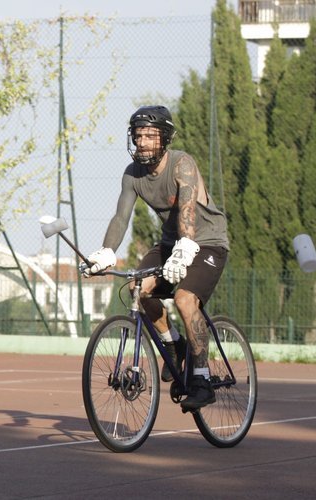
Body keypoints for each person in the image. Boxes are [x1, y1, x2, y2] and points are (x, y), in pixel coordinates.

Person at [85, 105, 229, 413]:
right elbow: (121, 217)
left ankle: (202, 380)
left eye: (150, 136)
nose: (143, 142)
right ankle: (173, 342)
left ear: (164, 139)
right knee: (139, 289)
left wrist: (187, 243)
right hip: (169, 242)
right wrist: (107, 250)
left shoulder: (182, 163)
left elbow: (188, 206)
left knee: (185, 299)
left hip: (206, 242)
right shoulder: (132, 174)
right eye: (138, 136)